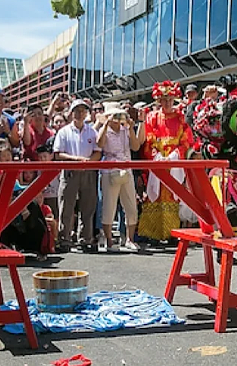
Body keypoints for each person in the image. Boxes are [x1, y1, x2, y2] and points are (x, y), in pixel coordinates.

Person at [138, 81, 193, 243]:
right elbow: (148, 140)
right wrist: (156, 155)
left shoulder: (180, 118)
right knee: (155, 195)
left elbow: (186, 141)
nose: (167, 102)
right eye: (164, 99)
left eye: (170, 99)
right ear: (159, 101)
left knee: (172, 196)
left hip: (174, 161)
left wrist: (176, 154)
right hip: (158, 160)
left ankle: (172, 232)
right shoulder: (153, 117)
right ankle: (153, 233)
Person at [54, 99, 102, 252]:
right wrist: (76, 160)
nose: (80, 114)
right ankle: (64, 238)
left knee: (88, 207)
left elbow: (98, 151)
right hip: (69, 171)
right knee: (66, 207)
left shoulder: (92, 131)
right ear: (71, 113)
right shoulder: (64, 131)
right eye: (77, 110)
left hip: (88, 172)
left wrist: (88, 163)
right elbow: (58, 154)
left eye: (83, 111)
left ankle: (85, 238)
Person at [97, 102, 145, 251]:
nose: (116, 118)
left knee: (131, 206)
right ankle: (109, 241)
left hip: (126, 168)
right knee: (109, 206)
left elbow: (136, 146)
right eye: (114, 115)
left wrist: (130, 128)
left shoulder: (126, 129)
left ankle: (130, 239)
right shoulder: (104, 129)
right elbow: (100, 144)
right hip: (110, 171)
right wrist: (104, 125)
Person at [36, 142, 60, 219]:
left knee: (56, 215)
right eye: (40, 157)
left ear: (51, 156)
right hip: (44, 197)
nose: (43, 159)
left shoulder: (56, 168)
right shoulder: (38, 170)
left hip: (55, 195)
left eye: (45, 156)